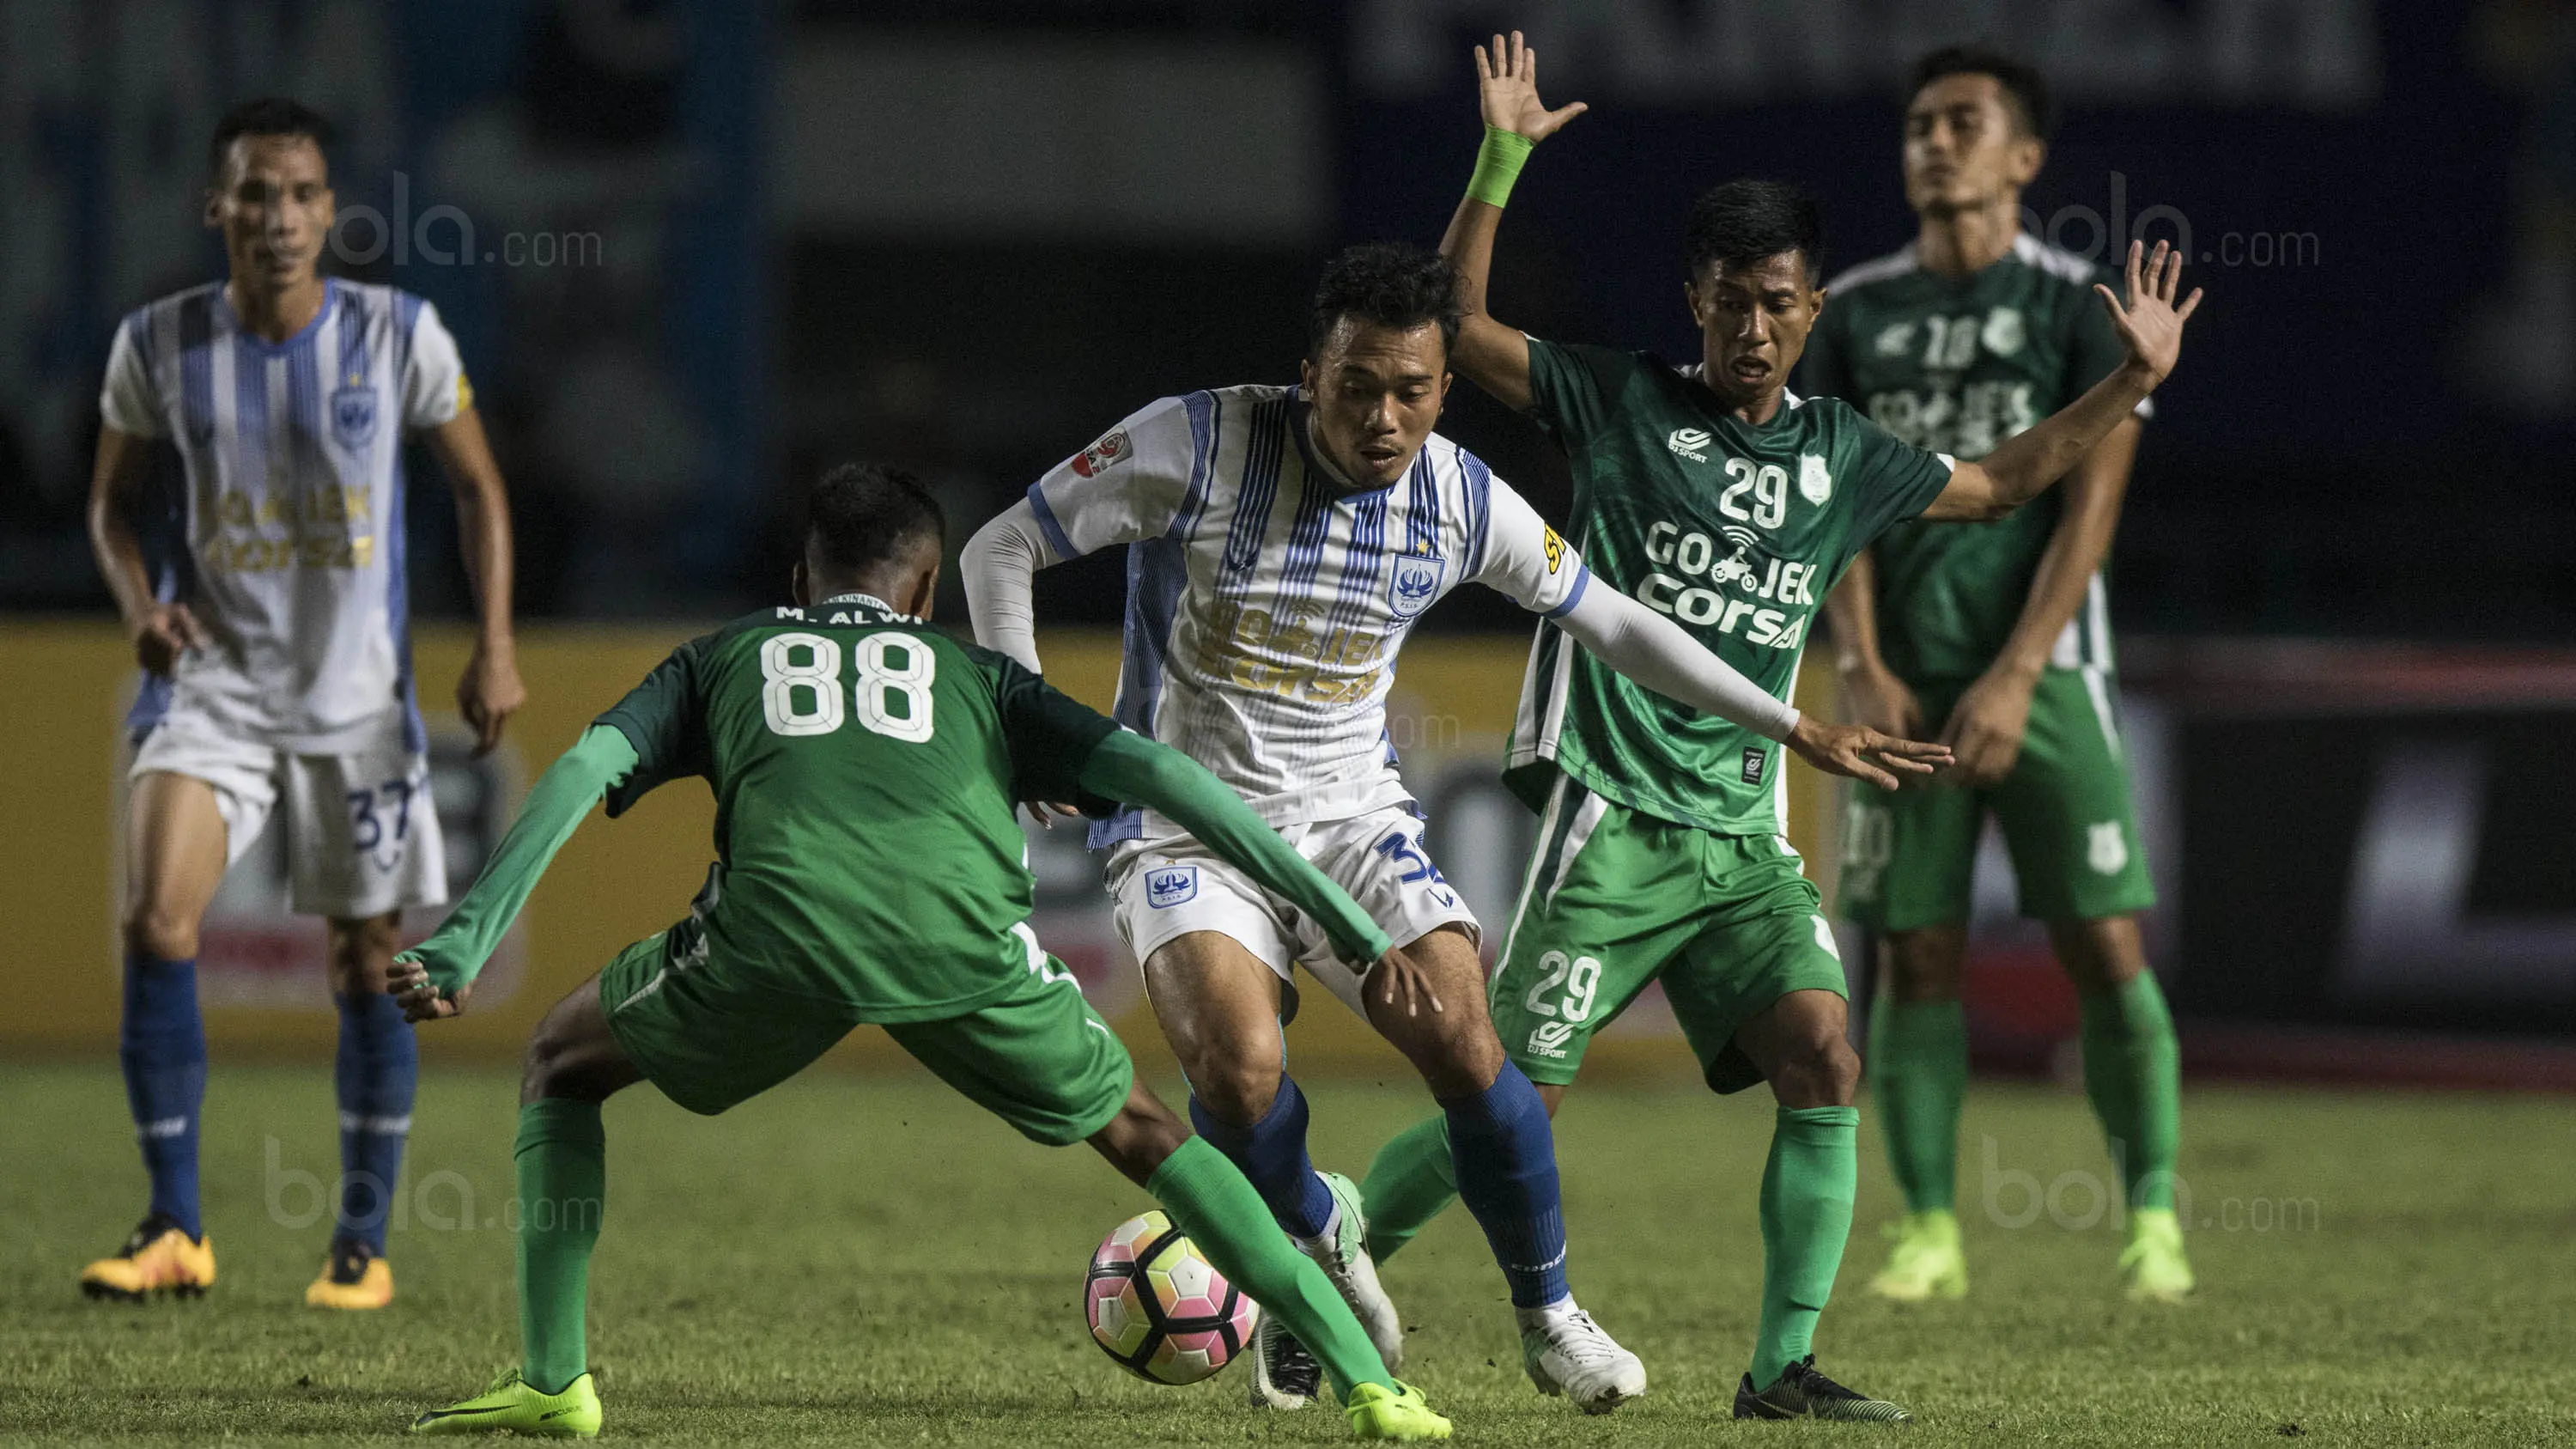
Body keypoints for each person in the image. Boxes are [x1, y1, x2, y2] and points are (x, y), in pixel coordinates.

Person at [1352, 34, 2200, 1422]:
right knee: (1511, 1105)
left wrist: (2130, 383)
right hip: (1613, 816)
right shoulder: (1620, 400)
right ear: (1695, 298)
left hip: (1742, 830)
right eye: (1731, 301)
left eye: (1780, 304)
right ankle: (1338, 1251)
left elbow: (1996, 484)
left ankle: (1779, 1370)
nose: (1754, 328)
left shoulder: (1841, 453)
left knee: (1824, 1051)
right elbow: (1448, 329)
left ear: (1811, 312)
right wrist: (1499, 160)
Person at [959, 243, 1942, 1415]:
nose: (1385, 416)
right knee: (1236, 1066)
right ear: (1308, 372)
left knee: (1474, 1046)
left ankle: (1551, 1316)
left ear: (1444, 386)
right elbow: (998, 546)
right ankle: (1325, 1241)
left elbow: (1618, 623)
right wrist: (1024, 712)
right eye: (1358, 384)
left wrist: (1791, 722)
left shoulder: (1464, 497)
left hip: (1350, 822)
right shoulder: (1200, 440)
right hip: (1188, 827)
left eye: (1413, 390)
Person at [394, 463, 1452, 1441]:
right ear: (926, 587)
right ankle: (1371, 1382)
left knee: (561, 1063)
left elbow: (583, 767)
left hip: (778, 938)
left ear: (798, 578)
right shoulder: (979, 676)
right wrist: (1352, 927)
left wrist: (465, 939)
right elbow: (1183, 785)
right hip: (963, 947)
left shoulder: (723, 654)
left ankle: (553, 1382)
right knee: (1144, 1129)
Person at [81, 97, 525, 1309]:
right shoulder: (159, 342)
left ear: (331, 210)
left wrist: (492, 643)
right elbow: (110, 506)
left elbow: (479, 488)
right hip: (211, 687)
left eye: (302, 194)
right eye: (256, 193)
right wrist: (136, 605)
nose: (279, 216)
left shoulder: (398, 334)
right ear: (214, 205)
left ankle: (362, 1242)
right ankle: (175, 1223)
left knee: (367, 957)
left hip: (356, 705)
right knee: (155, 919)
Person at [1806, 46, 2191, 1306]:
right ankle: (1928, 1227)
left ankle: (2151, 1218)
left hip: (2051, 674)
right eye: (1920, 122)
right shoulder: (1853, 311)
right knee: (1913, 954)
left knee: (2102, 939)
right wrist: (1857, 661)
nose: (1936, 140)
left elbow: (2095, 502)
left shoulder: (2077, 305)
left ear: (2024, 157)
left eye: (1965, 121)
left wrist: (2022, 665)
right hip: (1901, 686)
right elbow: (1829, 502)